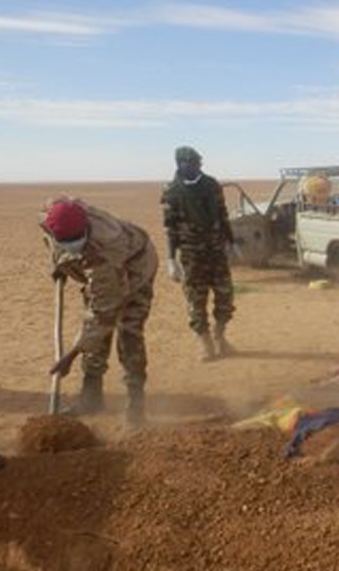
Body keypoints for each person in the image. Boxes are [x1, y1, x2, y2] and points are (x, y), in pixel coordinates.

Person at [41, 198, 158, 425]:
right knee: (95, 334)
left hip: (136, 266)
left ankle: (136, 405)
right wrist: (57, 264)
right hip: (95, 270)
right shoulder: (50, 217)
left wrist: (71, 355)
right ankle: (91, 398)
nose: (72, 244)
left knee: (128, 332)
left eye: (76, 240)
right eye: (66, 242)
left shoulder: (106, 248)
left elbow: (102, 314)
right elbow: (49, 240)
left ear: (85, 229)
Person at [161, 146, 237, 361]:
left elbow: (223, 215)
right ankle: (205, 344)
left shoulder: (211, 185)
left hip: (217, 252)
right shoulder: (171, 191)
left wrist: (230, 242)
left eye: (199, 163)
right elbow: (170, 228)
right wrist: (170, 260)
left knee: (225, 296)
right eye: (192, 163)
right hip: (191, 255)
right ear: (181, 164)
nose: (197, 167)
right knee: (196, 300)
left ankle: (220, 337)